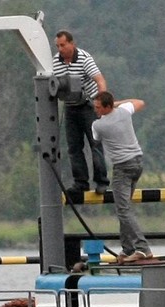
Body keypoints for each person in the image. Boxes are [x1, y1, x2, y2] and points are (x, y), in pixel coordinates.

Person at [92, 91, 153, 263]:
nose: (95, 110)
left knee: (123, 210)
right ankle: (127, 249)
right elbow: (139, 101)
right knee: (123, 208)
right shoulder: (125, 111)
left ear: (106, 107)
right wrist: (117, 103)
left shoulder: (98, 125)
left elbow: (95, 140)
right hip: (137, 163)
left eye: (98, 107)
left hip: (122, 167)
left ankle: (142, 248)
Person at [52, 30, 109, 194]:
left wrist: (101, 105)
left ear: (72, 44)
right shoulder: (56, 62)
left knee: (95, 144)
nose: (60, 49)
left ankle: (101, 181)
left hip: (88, 106)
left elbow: (100, 80)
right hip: (70, 107)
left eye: (63, 45)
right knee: (74, 147)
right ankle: (81, 183)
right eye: (58, 46)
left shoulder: (84, 58)